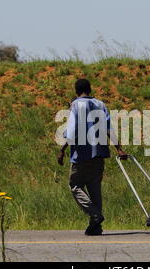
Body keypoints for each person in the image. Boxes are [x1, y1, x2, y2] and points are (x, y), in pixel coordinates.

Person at [57, 79, 128, 236]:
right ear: (89, 89)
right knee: (95, 189)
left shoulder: (76, 105)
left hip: (82, 155)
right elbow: (109, 128)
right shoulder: (100, 104)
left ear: (76, 91)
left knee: (75, 185)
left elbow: (72, 130)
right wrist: (119, 149)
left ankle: (95, 215)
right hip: (99, 154)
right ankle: (96, 227)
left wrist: (62, 149)